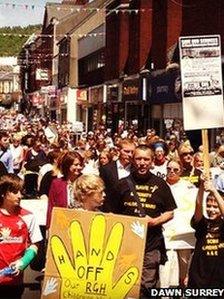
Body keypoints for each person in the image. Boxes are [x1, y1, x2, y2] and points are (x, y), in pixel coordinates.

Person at [116, 145, 177, 296]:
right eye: (138, 159)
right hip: (126, 245)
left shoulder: (161, 184)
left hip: (151, 244)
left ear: (152, 162)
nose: (142, 163)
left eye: (146, 159)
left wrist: (154, 222)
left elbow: (170, 213)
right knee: (126, 283)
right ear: (132, 160)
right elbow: (112, 212)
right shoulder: (122, 184)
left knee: (146, 286)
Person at [0, 174, 42, 299]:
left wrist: (23, 262)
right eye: (14, 192)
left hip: (14, 282)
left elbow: (35, 244)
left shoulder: (28, 216)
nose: (19, 195)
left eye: (20, 191)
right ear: (3, 193)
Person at [160, 159, 197, 288]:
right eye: (169, 169)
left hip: (184, 233)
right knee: (166, 265)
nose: (172, 172)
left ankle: (182, 288)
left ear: (181, 171)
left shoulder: (189, 187)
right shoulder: (160, 185)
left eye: (175, 169)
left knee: (184, 264)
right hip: (165, 231)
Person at [187, 177, 224, 288]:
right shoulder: (202, 224)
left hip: (219, 279)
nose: (211, 210)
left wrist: (213, 190)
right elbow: (198, 205)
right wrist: (202, 186)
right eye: (209, 206)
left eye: (215, 207)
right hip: (198, 278)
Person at [46, 151, 84, 228]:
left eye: (80, 165)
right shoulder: (56, 183)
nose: (79, 167)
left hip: (82, 222)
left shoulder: (85, 182)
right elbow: (51, 206)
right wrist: (49, 226)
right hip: (62, 224)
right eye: (76, 165)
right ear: (67, 165)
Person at [99, 138, 136, 213]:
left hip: (129, 213)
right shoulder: (106, 169)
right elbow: (101, 189)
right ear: (119, 151)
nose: (130, 155)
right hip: (109, 212)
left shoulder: (136, 170)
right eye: (126, 151)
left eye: (132, 152)